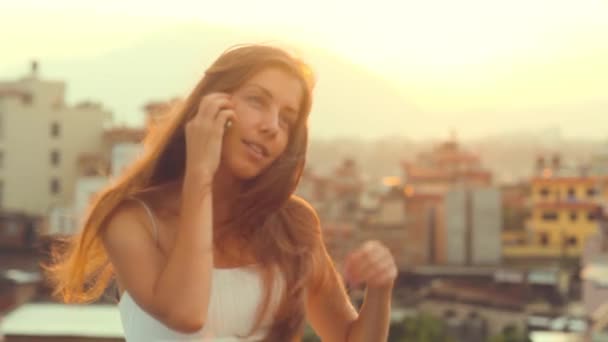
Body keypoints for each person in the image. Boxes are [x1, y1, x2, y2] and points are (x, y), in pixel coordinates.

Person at [45, 44, 397, 341]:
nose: (271, 126)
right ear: (211, 105)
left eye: (287, 119)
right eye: (257, 101)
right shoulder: (132, 219)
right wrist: (200, 173)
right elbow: (187, 314)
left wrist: (380, 289)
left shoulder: (293, 223)